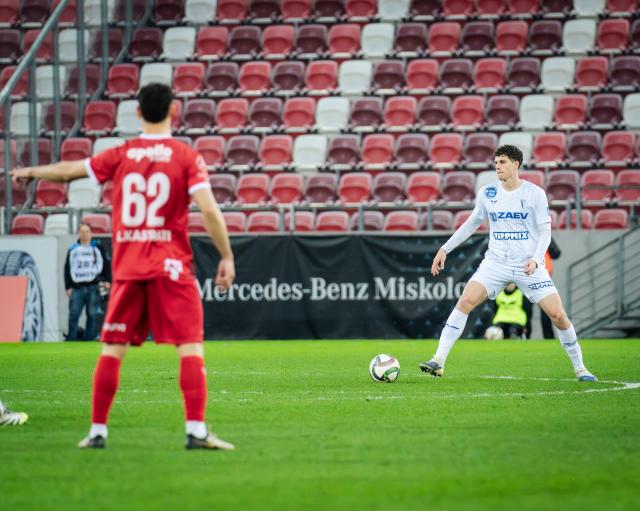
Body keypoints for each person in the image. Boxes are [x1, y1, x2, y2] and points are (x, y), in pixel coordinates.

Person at [11, 83, 237, 450]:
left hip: (130, 268)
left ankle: (97, 432)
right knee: (189, 347)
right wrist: (226, 255)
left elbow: (69, 172)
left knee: (112, 349)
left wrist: (33, 171)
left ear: (138, 112)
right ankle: (196, 431)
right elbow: (209, 210)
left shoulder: (122, 153)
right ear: (174, 110)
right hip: (171, 267)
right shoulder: (186, 157)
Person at [421, 144, 597, 382]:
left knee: (557, 315)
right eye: (495, 162)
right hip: (496, 263)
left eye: (502, 162)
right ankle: (438, 360)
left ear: (516, 164)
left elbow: (545, 232)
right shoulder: (487, 193)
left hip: (528, 266)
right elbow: (472, 223)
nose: (497, 166)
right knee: (464, 303)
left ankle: (581, 369)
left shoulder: (535, 193)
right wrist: (445, 248)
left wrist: (536, 259)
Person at [64, 223, 111, 341]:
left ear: (91, 234)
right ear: (79, 233)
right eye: (82, 231)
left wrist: (107, 280)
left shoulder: (97, 248)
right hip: (77, 287)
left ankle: (89, 339)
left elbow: (106, 263)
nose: (84, 234)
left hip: (93, 286)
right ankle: (71, 339)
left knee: (92, 314)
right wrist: (68, 286)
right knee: (74, 314)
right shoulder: (73, 249)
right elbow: (67, 268)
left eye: (87, 231)